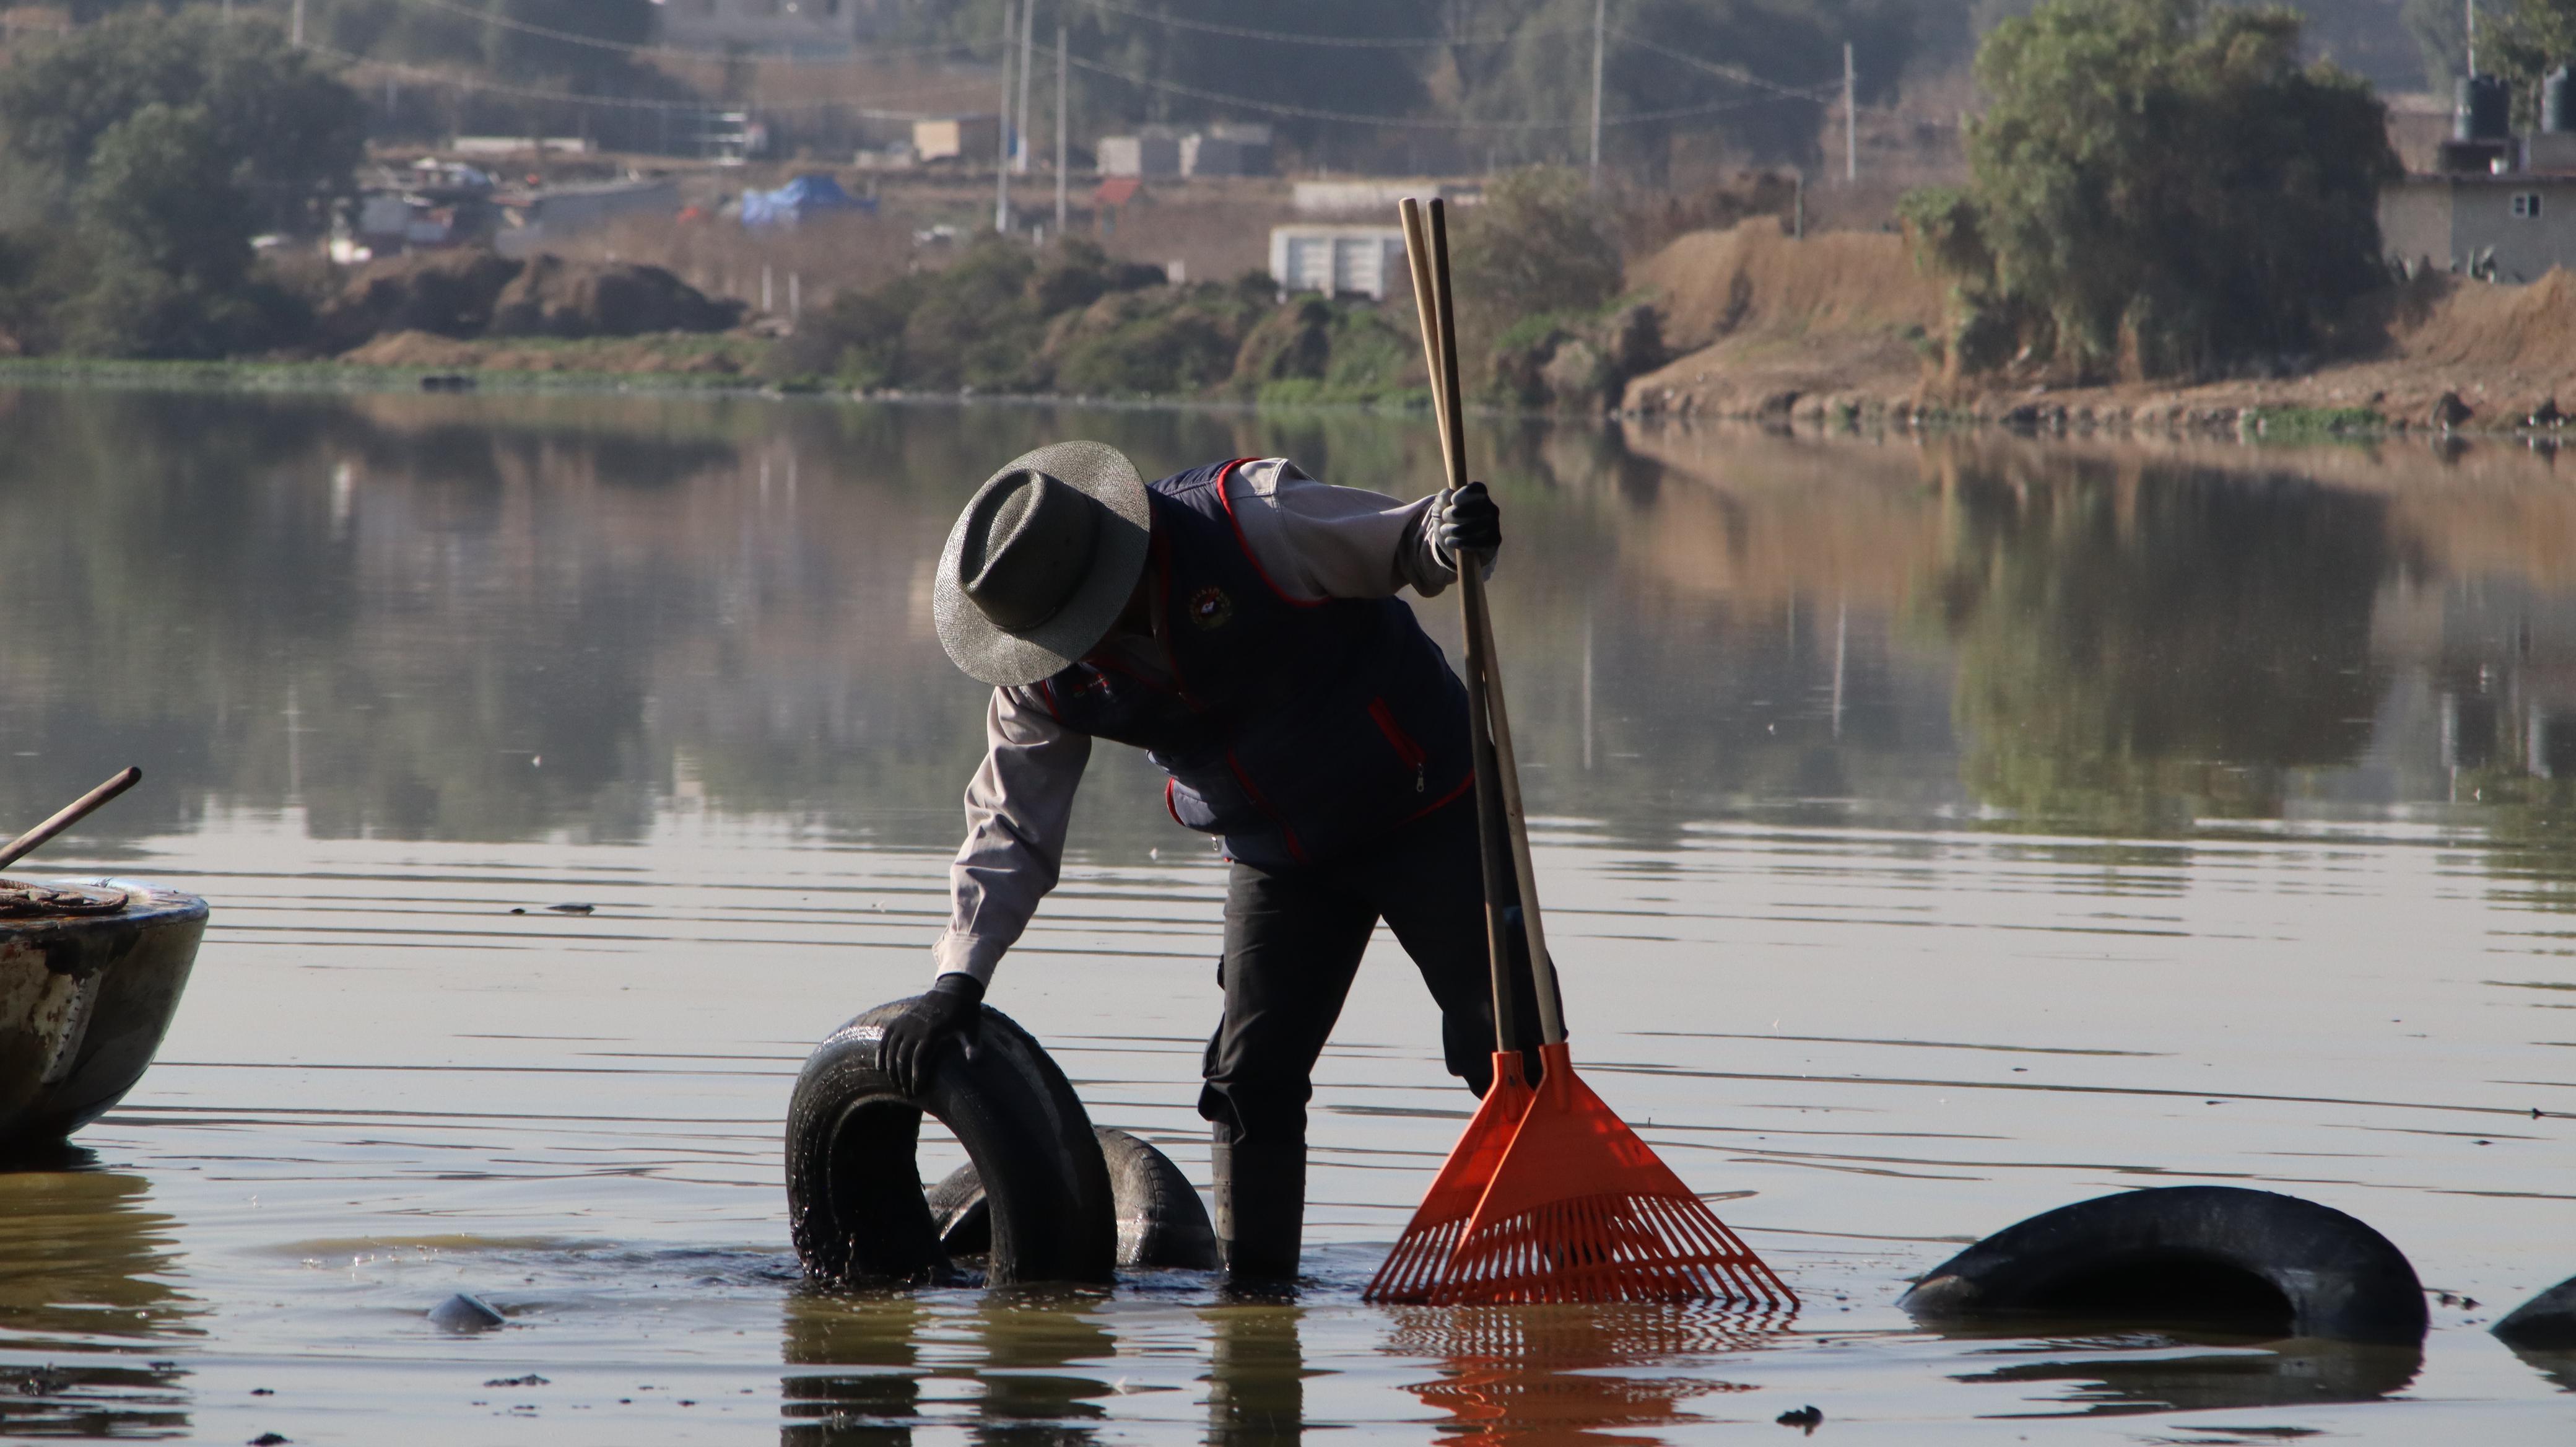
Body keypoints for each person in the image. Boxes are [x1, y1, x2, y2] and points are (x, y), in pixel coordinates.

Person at [882, 441, 1526, 1283]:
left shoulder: (1253, 520)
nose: (1081, 650)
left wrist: (1449, 536)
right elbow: (1012, 824)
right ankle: (1257, 1307)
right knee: (1249, 1077)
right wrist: (957, 981)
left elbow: (1405, 542)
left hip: (1423, 797)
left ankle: (1554, 1248)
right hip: (1278, 848)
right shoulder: (1038, 676)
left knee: (1504, 1039)